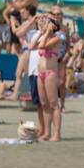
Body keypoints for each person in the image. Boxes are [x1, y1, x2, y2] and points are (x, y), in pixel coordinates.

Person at [30, 13, 64, 142]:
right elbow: (32, 46)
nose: (43, 23)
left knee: (54, 104)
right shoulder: (44, 37)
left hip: (51, 73)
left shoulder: (56, 38)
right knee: (44, 104)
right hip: (41, 74)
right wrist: (40, 33)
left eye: (46, 22)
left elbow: (41, 46)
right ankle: (47, 132)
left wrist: (48, 31)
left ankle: (57, 133)